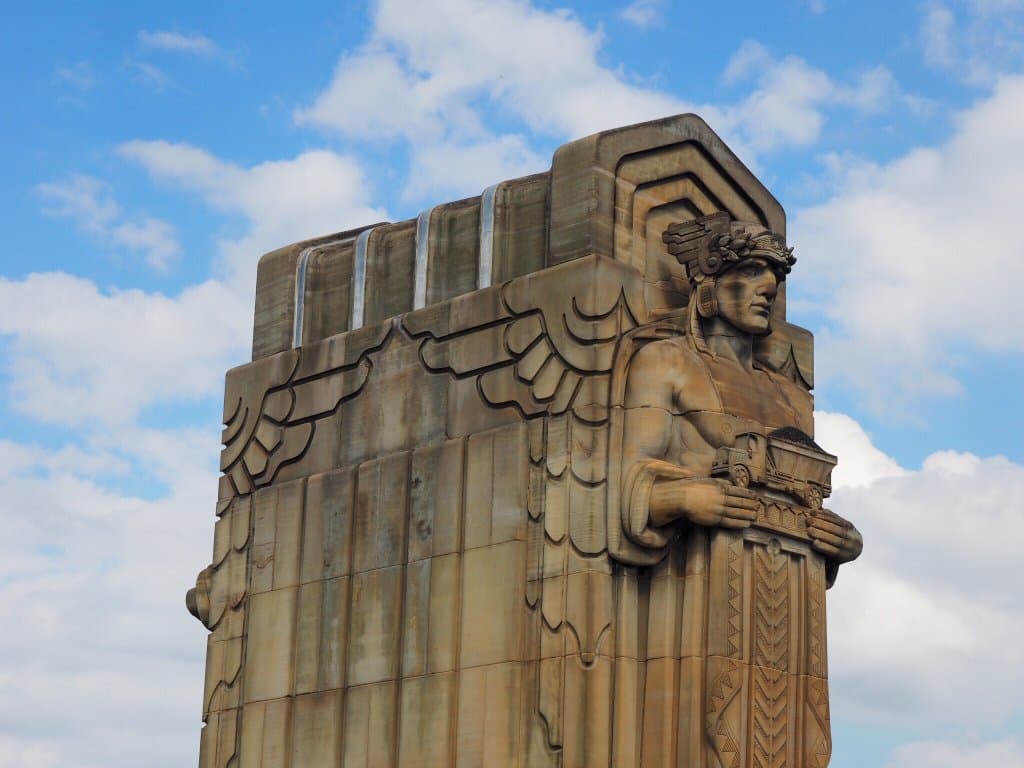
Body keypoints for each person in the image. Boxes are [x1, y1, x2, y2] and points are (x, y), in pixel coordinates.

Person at [619, 213, 862, 573]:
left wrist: (844, 539)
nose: (769, 287)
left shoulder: (793, 398)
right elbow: (628, 484)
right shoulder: (666, 362)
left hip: (790, 582)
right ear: (709, 283)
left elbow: (809, 508)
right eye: (750, 270)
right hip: (699, 573)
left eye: (775, 276)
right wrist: (683, 497)